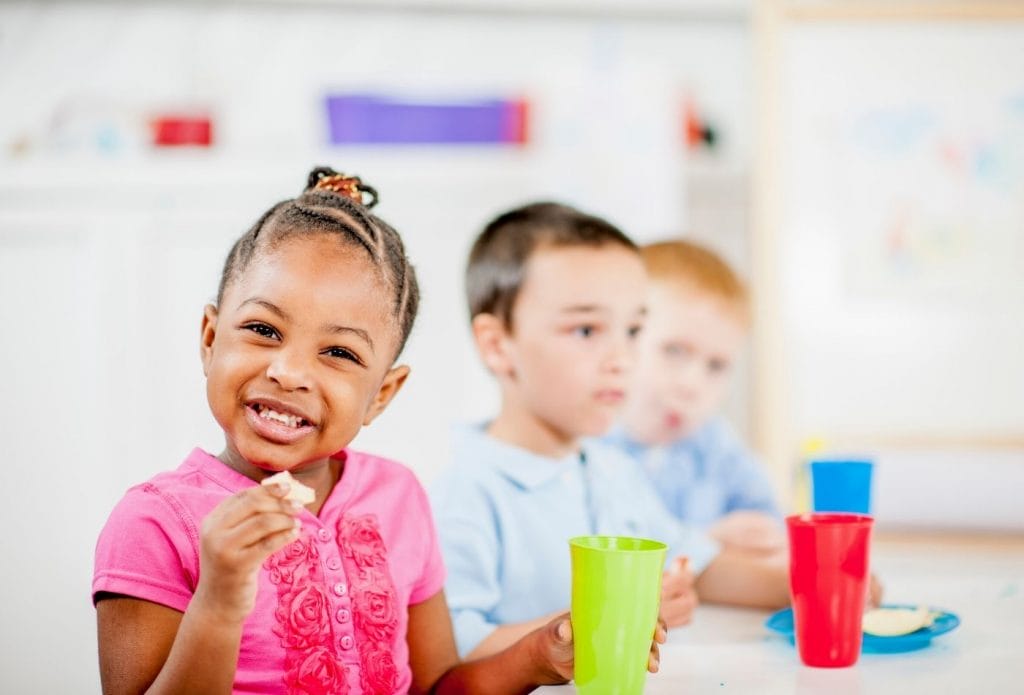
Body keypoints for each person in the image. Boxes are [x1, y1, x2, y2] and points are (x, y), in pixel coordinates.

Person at [92, 169, 665, 695]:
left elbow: (438, 686)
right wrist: (218, 602)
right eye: (263, 329)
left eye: (338, 352)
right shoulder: (154, 523)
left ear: (382, 394)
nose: (288, 372)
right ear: (210, 337)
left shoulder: (399, 499)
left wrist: (539, 657)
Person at [431, 203, 791, 661]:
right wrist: (614, 613)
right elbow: (452, 652)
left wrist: (805, 586)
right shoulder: (466, 495)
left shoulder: (614, 473)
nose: (622, 359)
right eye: (586, 330)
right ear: (498, 346)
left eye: (634, 330)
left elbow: (699, 563)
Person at [602, 239, 785, 554]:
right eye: (674, 351)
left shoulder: (716, 445)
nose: (692, 384)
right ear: (625, 338)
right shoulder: (593, 446)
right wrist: (704, 542)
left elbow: (767, 518)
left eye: (716, 366)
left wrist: (759, 534)